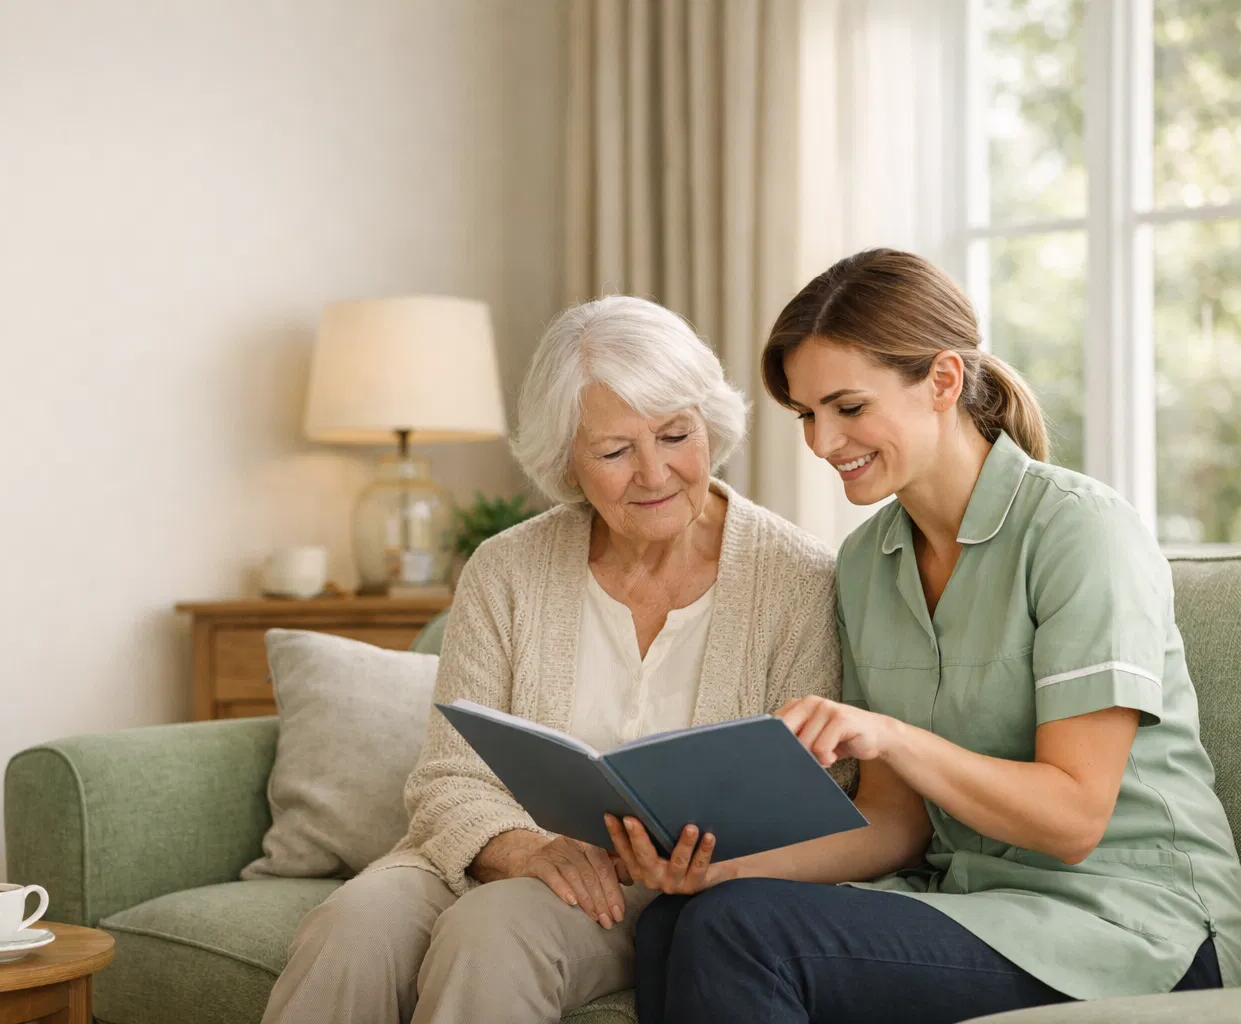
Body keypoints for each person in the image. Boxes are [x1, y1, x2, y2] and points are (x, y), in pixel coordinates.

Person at [621, 249, 1241, 1024]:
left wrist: (890, 737)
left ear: (944, 382)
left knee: (745, 936)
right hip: (980, 905)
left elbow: (1073, 819)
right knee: (674, 923)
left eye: (848, 408)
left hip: (1137, 925)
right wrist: (724, 871)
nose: (823, 443)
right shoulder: (866, 561)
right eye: (806, 415)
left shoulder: (1080, 534)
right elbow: (897, 823)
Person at [260, 295, 853, 1024]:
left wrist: (707, 858)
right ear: (567, 463)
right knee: (347, 930)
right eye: (613, 451)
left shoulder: (798, 579)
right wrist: (522, 849)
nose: (654, 472)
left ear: (711, 425)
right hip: (487, 855)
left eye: (675, 434)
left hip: (663, 891)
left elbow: (826, 786)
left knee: (494, 935)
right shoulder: (505, 569)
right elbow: (449, 776)